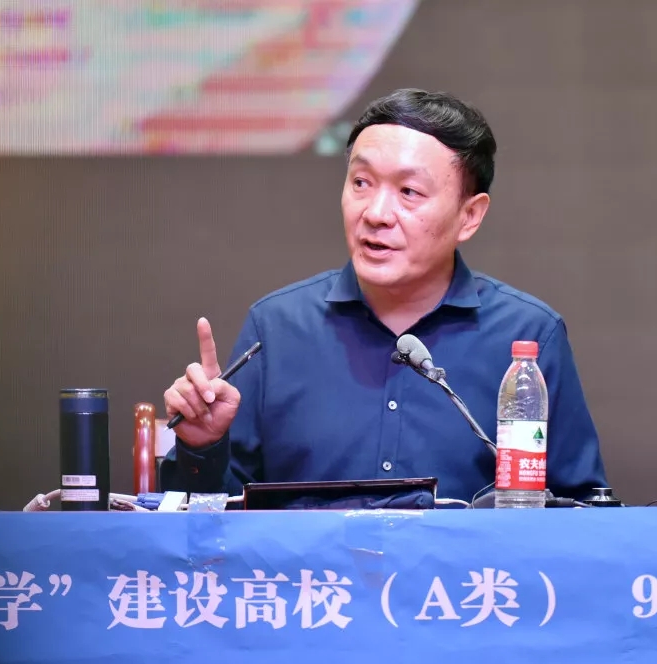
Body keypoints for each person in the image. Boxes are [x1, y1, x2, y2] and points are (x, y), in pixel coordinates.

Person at [162, 88, 607, 503]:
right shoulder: (276, 329)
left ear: (469, 216)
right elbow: (213, 523)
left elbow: (582, 512)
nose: (375, 214)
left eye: (409, 192)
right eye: (361, 183)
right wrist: (203, 447)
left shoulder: (528, 337)